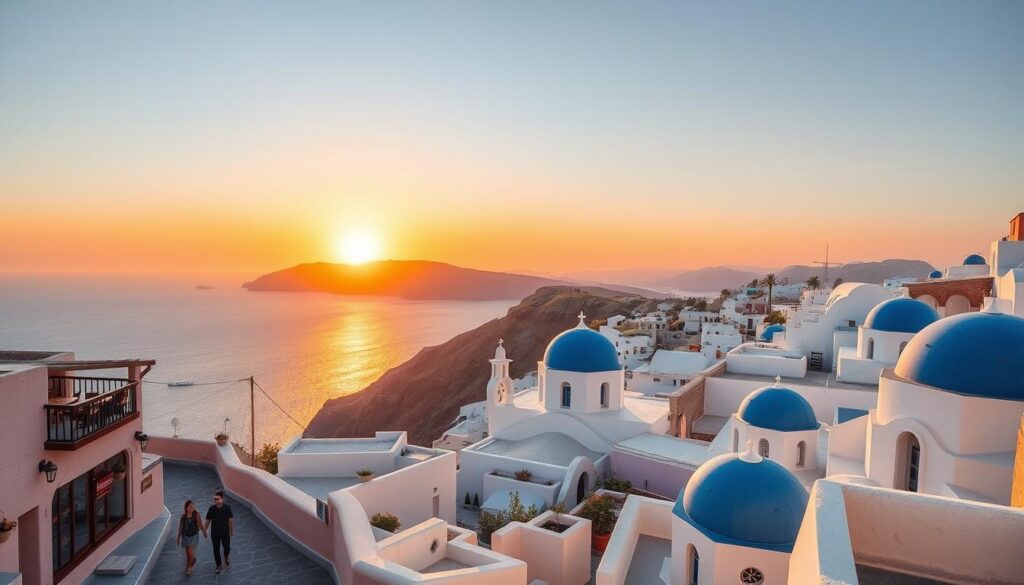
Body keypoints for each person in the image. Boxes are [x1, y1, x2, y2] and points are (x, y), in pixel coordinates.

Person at [205, 489, 234, 574]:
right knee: (216, 549)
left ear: (222, 499)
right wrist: (204, 530)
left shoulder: (227, 508)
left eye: (217, 499)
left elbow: (230, 520)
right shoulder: (211, 509)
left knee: (227, 547)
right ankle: (218, 565)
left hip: (225, 533)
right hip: (215, 533)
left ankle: (226, 556)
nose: (216, 500)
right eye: (215, 499)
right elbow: (208, 520)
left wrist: (231, 531)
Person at [176, 499, 207, 576]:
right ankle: (189, 566)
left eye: (193, 507)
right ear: (186, 507)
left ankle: (191, 564)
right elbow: (181, 527)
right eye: (190, 507)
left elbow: (200, 524)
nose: (191, 508)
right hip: (185, 536)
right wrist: (178, 537)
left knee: (190, 552)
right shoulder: (183, 516)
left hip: (194, 535)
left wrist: (204, 532)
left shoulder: (196, 514)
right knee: (188, 553)